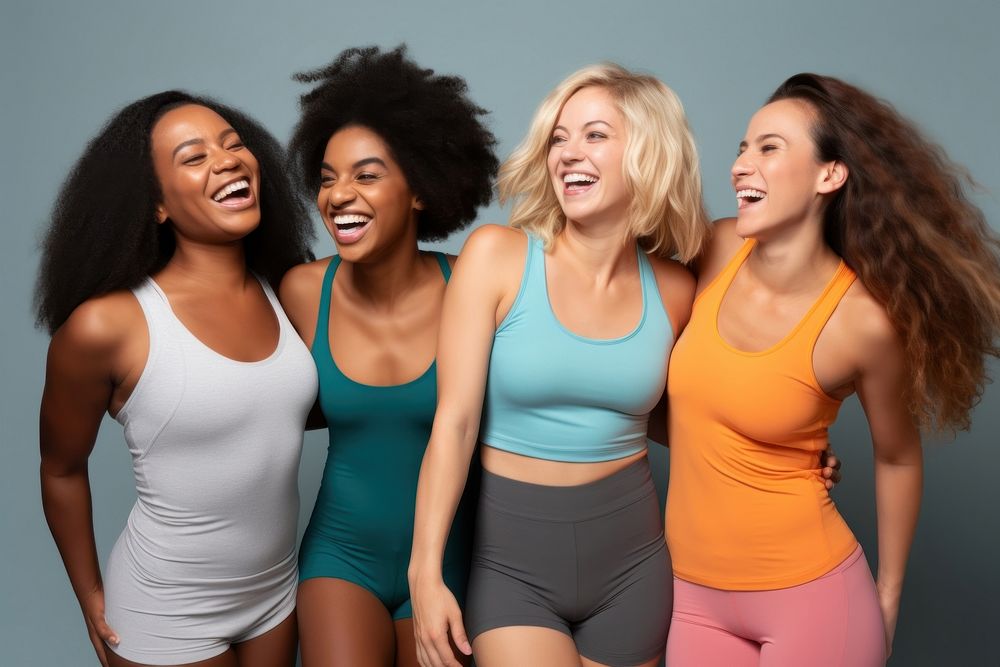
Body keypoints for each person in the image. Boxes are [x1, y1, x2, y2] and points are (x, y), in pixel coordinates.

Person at [665, 73, 1000, 666]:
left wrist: (888, 596)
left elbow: (898, 456)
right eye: (743, 147)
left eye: (769, 147)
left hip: (812, 600)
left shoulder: (861, 322)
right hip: (692, 598)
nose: (742, 163)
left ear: (830, 174)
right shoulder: (712, 252)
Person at [409, 63, 709, 667]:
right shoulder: (498, 257)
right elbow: (455, 422)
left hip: (635, 563)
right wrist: (425, 571)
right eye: (558, 137)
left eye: (595, 134)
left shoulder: (675, 289)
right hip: (514, 564)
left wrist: (788, 452)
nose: (568, 152)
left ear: (649, 152)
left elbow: (668, 419)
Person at [36, 91, 316, 667]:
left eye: (234, 145)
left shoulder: (288, 292)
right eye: (193, 157)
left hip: (277, 595)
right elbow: (61, 468)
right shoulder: (108, 325)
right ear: (156, 205)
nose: (227, 160)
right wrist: (90, 594)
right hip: (167, 607)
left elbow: (283, 417)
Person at [278, 46, 498, 667]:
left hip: (452, 564)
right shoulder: (301, 292)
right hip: (340, 557)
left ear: (421, 190)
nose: (339, 195)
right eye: (327, 177)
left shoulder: (474, 287)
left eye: (367, 175)